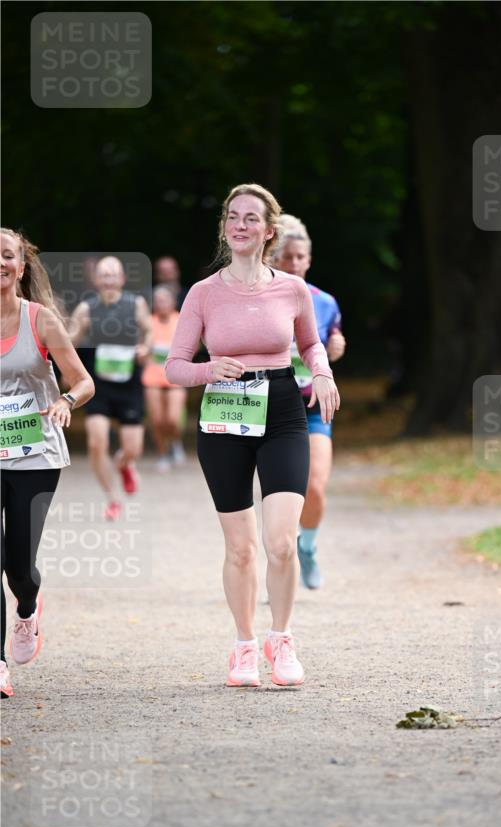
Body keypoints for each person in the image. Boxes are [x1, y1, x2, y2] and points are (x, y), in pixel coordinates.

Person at [165, 183, 340, 688]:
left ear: (268, 231)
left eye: (251, 218)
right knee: (241, 548)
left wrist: (322, 373)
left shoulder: (292, 289)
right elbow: (174, 366)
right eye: (233, 217)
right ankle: (244, 645)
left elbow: (311, 344)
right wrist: (208, 370)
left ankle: (281, 639)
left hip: (283, 410)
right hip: (224, 415)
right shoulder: (203, 293)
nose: (240, 225)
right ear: (225, 227)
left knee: (281, 541)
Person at [1, 228, 94, 699]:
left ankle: (27, 607)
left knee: (19, 563)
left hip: (35, 453)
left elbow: (83, 381)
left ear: (21, 266)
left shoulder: (41, 320)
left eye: (7, 255)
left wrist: (65, 401)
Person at [272, 215, 346, 589]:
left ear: (309, 260)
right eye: (287, 256)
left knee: (314, 487)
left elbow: (332, 341)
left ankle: (308, 547)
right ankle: (279, 566)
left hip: (313, 403)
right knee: (282, 494)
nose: (294, 263)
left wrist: (337, 345)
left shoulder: (325, 302)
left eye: (300, 257)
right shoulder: (260, 298)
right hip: (272, 405)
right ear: (273, 258)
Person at [69, 257, 152, 521]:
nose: (108, 280)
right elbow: (69, 344)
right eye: (104, 275)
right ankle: (112, 499)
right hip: (99, 386)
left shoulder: (135, 304)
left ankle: (124, 463)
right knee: (96, 443)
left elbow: (149, 332)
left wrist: (145, 348)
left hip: (129, 385)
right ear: (96, 280)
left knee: (133, 448)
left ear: (122, 278)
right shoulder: (86, 308)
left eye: (113, 274)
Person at [142, 285, 187, 470]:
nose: (161, 304)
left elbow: (191, 347)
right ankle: (163, 454)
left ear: (173, 302)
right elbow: (142, 347)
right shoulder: (148, 322)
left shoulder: (181, 320)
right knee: (157, 420)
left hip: (175, 376)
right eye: (158, 301)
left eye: (164, 300)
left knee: (172, 419)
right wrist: (144, 353)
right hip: (152, 376)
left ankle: (175, 442)